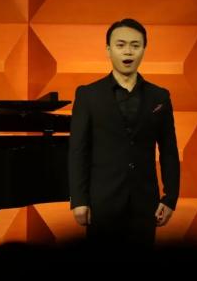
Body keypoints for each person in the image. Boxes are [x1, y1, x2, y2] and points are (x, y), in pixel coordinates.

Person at [68, 18, 180, 248]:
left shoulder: (159, 96)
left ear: (144, 49)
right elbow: (78, 151)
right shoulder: (88, 95)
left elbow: (169, 150)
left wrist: (170, 198)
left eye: (135, 45)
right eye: (120, 45)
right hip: (101, 202)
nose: (128, 51)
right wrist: (78, 200)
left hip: (145, 202)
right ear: (108, 49)